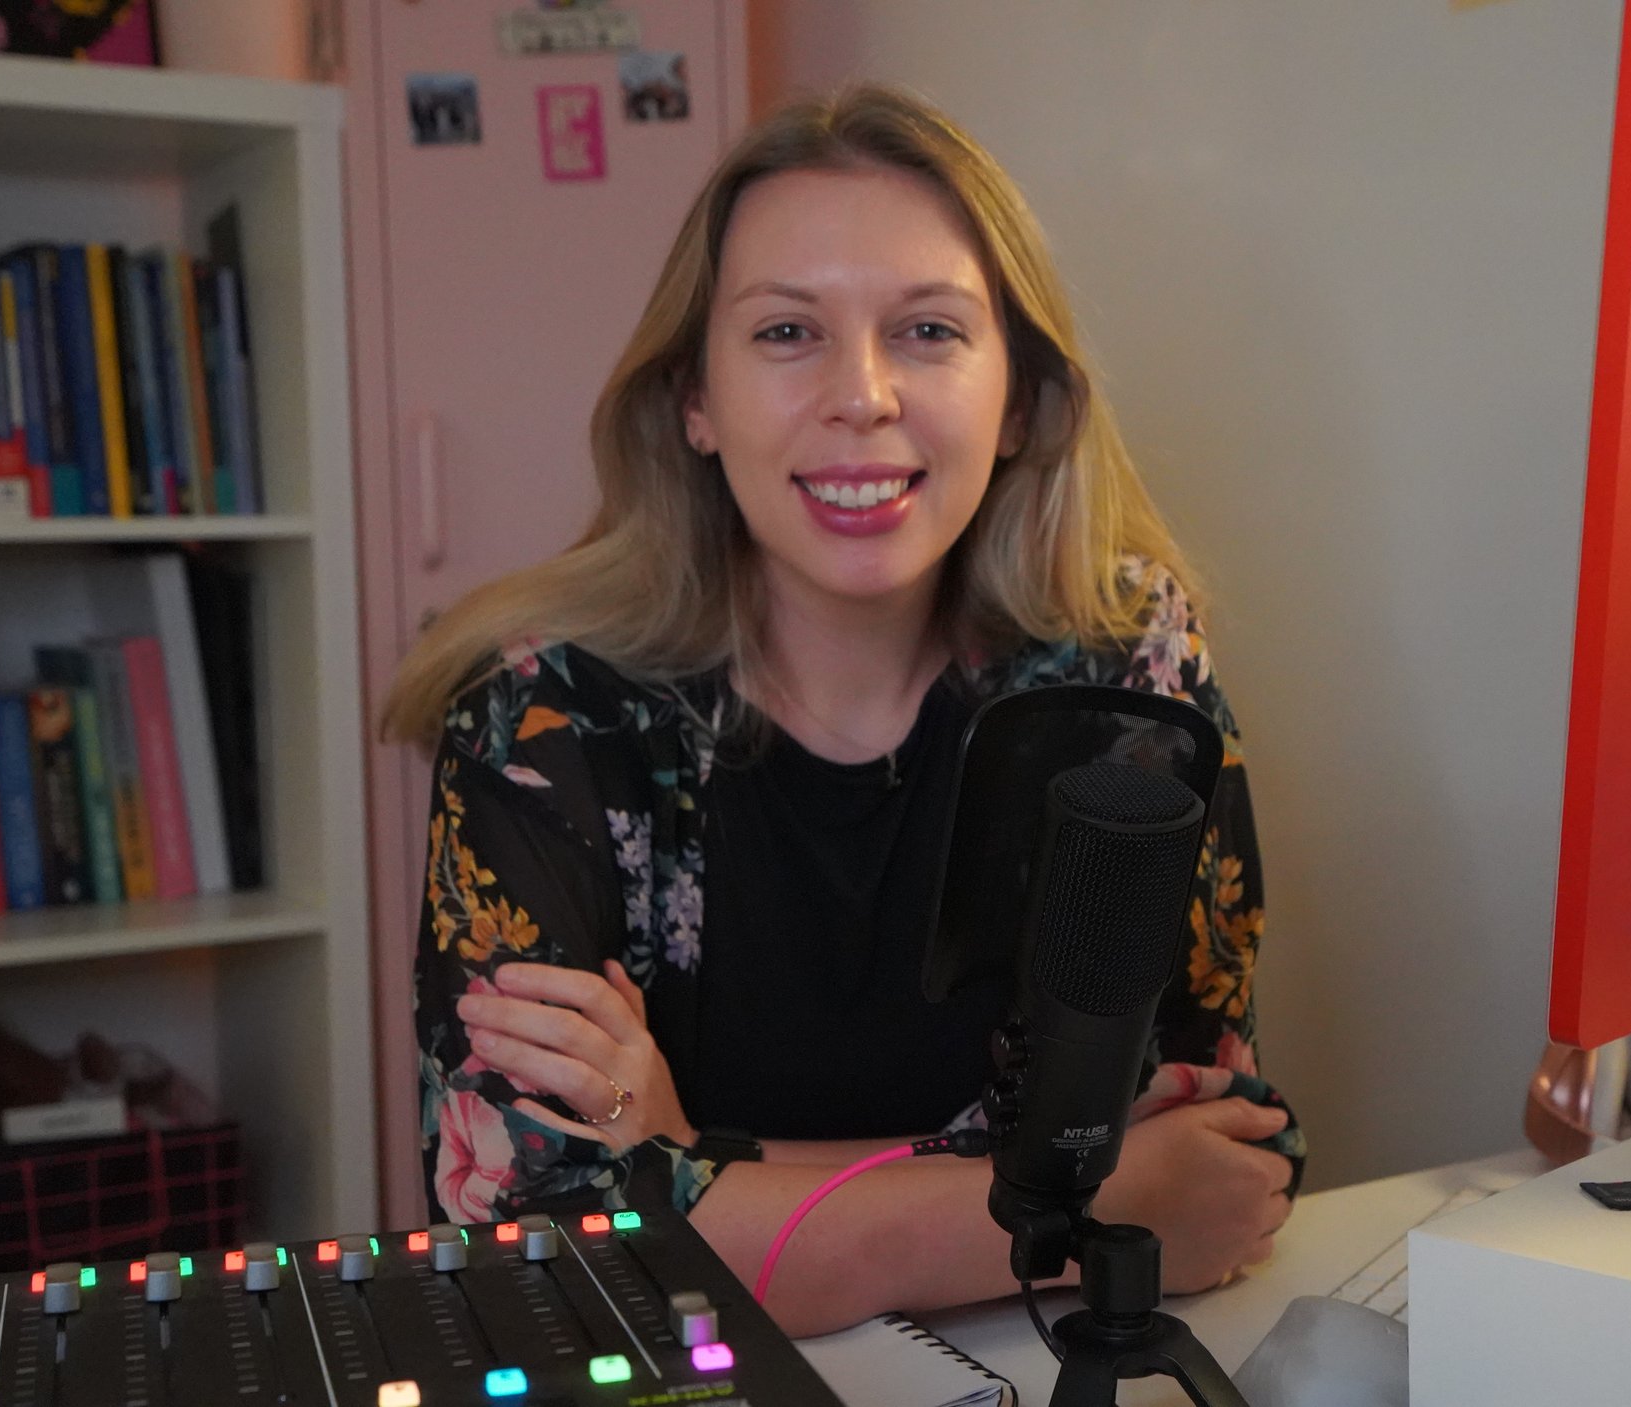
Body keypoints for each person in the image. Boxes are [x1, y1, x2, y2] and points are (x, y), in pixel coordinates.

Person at [382, 82, 1300, 1337]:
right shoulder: (542, 715)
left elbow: (1212, 1156)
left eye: (928, 331)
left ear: (1020, 398)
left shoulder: (1127, 685)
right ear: (693, 403)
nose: (861, 396)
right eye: (783, 334)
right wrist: (1070, 1207)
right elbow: (533, 1241)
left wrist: (692, 1161)